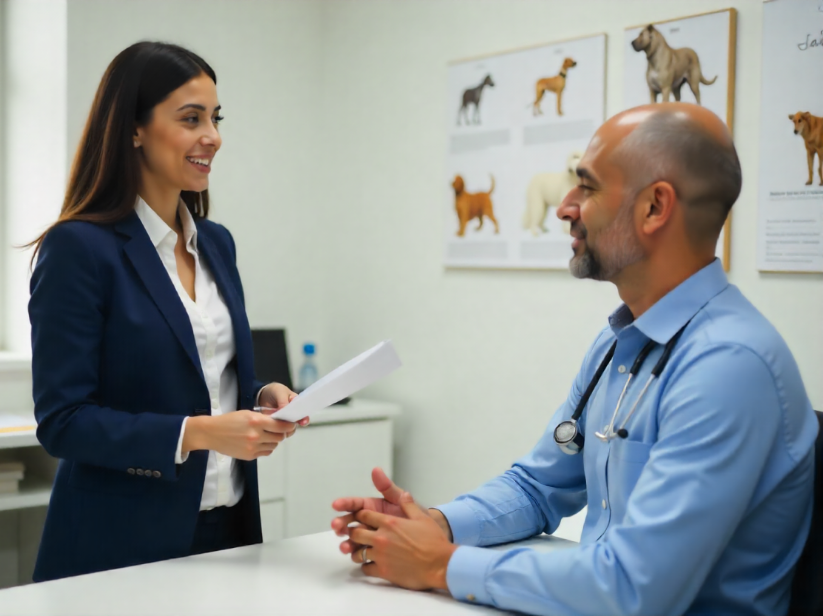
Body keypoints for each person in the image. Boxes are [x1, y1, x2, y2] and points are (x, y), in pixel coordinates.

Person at [331, 103, 819, 615]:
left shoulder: (728, 366)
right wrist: (435, 526)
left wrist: (440, 564)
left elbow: (632, 589)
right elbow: (538, 485)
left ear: (655, 208)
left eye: (585, 187)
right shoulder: (619, 343)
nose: (564, 207)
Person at [28, 42, 307, 582]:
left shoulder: (217, 243)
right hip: (120, 544)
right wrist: (199, 433)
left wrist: (258, 395)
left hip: (229, 531)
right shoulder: (78, 248)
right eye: (191, 118)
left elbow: (200, 376)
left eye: (216, 118)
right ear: (134, 129)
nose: (213, 136)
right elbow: (63, 423)